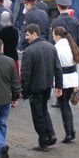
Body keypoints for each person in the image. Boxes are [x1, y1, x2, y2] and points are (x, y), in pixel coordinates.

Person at [20, 23, 63, 151]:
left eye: (27, 35)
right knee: (44, 110)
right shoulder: (51, 47)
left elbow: (25, 74)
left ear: (34, 34)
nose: (26, 38)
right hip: (47, 86)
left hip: (35, 87)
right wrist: (59, 86)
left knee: (38, 114)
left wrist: (24, 91)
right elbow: (58, 68)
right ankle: (51, 134)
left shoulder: (28, 51)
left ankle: (43, 140)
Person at [52, 26, 79, 143]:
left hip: (62, 81)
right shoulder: (72, 46)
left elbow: (54, 68)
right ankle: (70, 131)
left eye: (53, 35)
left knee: (64, 106)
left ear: (57, 36)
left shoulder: (55, 48)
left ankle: (69, 132)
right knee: (66, 105)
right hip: (73, 80)